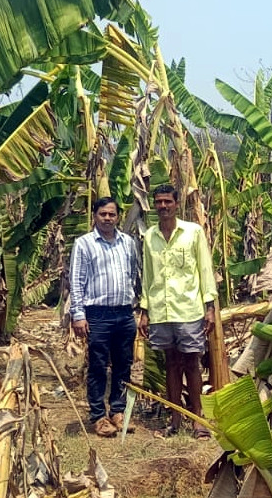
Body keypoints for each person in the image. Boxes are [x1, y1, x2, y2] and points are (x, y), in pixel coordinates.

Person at [138, 184, 217, 439]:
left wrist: (210, 307)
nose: (163, 206)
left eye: (167, 202)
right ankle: (174, 418)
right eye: (158, 202)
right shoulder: (150, 236)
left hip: (189, 309)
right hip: (161, 310)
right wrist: (145, 310)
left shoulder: (193, 232)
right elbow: (148, 275)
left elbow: (205, 270)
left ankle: (197, 420)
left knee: (192, 363)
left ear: (176, 203)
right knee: (170, 363)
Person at [67, 197, 141, 438]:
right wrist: (78, 315)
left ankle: (118, 411)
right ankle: (98, 415)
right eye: (103, 214)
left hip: (123, 312)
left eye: (112, 214)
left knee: (123, 364)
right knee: (98, 366)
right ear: (95, 216)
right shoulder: (84, 244)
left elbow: (133, 275)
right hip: (97, 314)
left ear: (118, 216)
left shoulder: (128, 243)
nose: (107, 218)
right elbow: (76, 281)